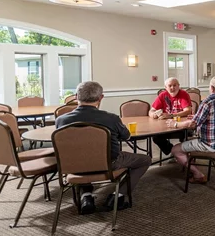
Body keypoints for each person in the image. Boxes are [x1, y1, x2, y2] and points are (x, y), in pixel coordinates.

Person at [55, 81, 151, 214]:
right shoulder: (111, 118)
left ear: (76, 96)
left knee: (82, 154)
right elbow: (126, 136)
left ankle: (86, 196)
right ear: (101, 98)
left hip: (73, 166)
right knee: (145, 160)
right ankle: (118, 196)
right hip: (108, 164)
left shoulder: (61, 120)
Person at [169, 76, 215, 184]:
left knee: (175, 150)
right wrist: (197, 116)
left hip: (211, 145)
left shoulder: (208, 102)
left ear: (212, 88)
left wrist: (175, 124)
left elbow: (192, 124)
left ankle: (198, 174)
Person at [148, 77, 192, 156]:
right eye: (170, 86)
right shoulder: (163, 95)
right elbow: (151, 111)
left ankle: (179, 153)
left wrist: (171, 115)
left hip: (182, 127)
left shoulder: (183, 94)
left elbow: (188, 111)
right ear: (166, 87)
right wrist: (153, 115)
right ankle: (173, 151)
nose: (172, 88)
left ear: (179, 86)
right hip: (166, 126)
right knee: (156, 137)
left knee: (186, 136)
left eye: (175, 85)